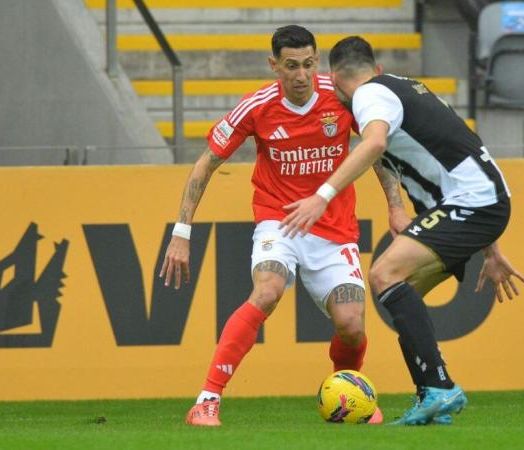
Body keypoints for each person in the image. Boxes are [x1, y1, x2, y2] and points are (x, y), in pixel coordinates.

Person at [281, 36, 524, 426]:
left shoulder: (369, 96)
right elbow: (456, 150)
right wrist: (490, 250)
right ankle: (433, 396)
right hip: (479, 202)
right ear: (375, 67)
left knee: (382, 275)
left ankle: (439, 388)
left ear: (332, 76)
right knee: (402, 297)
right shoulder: (399, 86)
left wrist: (322, 196)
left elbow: (374, 143)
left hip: (473, 203)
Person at [159, 26, 394, 426]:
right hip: (278, 222)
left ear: (317, 61)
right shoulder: (256, 106)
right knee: (267, 291)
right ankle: (206, 401)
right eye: (291, 66)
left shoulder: (340, 96)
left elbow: (381, 149)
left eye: (308, 64)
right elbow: (206, 163)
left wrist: (396, 205)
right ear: (274, 66)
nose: (301, 75)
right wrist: (182, 232)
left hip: (333, 227)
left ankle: (347, 394)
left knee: (352, 325)